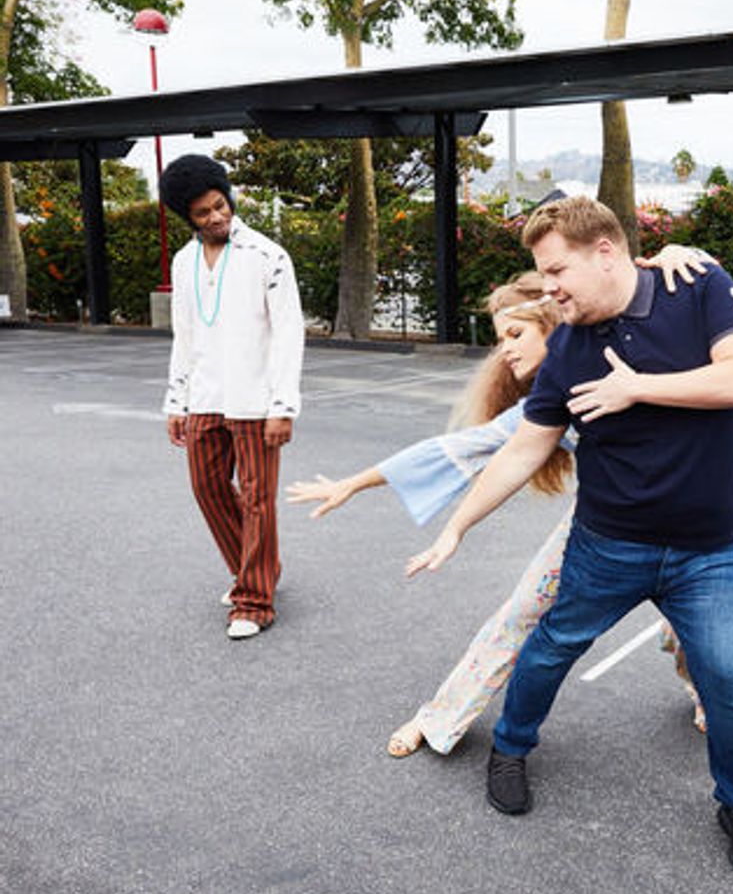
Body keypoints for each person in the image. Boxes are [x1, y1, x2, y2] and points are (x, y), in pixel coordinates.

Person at [404, 196, 733, 878]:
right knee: (550, 647)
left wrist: (640, 388)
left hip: (708, 550)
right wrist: (456, 526)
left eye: (556, 272)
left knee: (728, 678)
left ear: (606, 252)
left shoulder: (698, 287)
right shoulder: (568, 349)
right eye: (542, 277)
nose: (549, 290)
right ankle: (510, 748)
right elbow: (522, 449)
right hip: (610, 544)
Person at [286, 263, 710, 758]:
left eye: (515, 333)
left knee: (700, 632)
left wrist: (673, 253)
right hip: (601, 522)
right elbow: (457, 448)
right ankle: (438, 718)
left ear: (552, 323)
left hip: (687, 519)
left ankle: (706, 691)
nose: (505, 349)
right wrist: (354, 483)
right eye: (499, 338)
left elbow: (629, 274)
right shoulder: (542, 406)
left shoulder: (623, 344)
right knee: (518, 614)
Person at [159, 155, 304, 640]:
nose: (216, 217)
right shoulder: (183, 261)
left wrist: (283, 406)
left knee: (260, 499)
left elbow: (288, 335)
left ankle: (254, 600)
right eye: (203, 213)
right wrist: (175, 402)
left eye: (220, 205)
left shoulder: (268, 256)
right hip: (203, 397)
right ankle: (256, 569)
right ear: (188, 217)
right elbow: (184, 334)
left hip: (256, 401)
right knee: (207, 487)